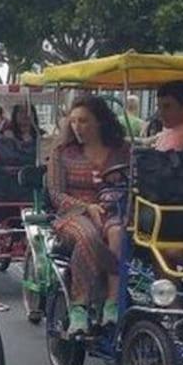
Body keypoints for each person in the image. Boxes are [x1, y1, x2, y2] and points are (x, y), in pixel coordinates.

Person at [47, 96, 130, 334]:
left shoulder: (122, 151)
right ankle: (79, 306)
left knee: (118, 233)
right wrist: (86, 208)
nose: (77, 127)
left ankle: (113, 304)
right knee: (89, 235)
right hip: (73, 214)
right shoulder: (63, 152)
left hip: (114, 210)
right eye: (73, 122)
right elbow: (55, 194)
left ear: (100, 122)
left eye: (83, 121)